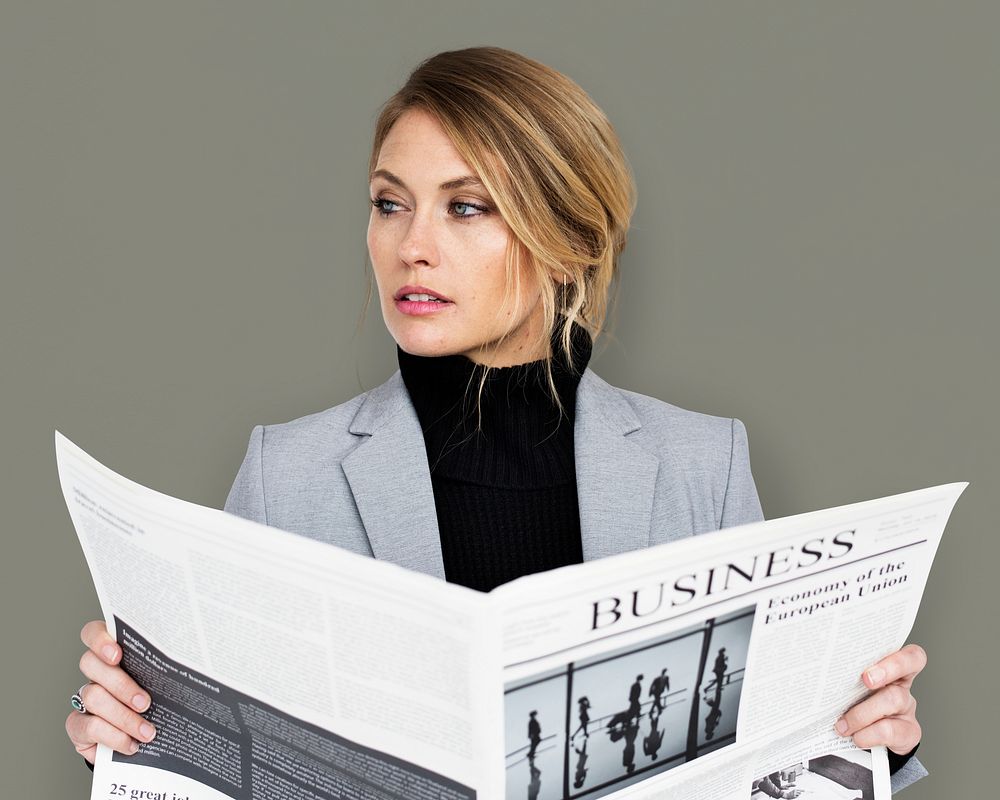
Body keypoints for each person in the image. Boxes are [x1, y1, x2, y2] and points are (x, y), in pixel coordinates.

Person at [63, 46, 928, 793]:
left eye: (466, 206)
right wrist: (124, 736)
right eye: (389, 202)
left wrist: (873, 740)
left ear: (567, 235)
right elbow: (234, 765)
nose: (413, 244)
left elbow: (761, 762)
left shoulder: (702, 461)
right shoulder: (287, 470)